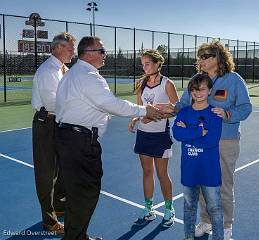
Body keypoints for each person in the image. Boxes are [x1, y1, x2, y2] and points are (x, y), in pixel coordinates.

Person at [55, 36, 167, 240]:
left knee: (75, 192)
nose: (105, 55)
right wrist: (145, 111)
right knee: (87, 191)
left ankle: (75, 235)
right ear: (89, 53)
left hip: (67, 138)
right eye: (102, 51)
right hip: (80, 142)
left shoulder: (72, 74)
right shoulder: (88, 76)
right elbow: (112, 104)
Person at [176, 40, 252, 240]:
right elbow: (183, 104)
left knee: (223, 184)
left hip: (225, 141)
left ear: (218, 58)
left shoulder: (233, 79)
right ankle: (206, 221)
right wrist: (163, 110)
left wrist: (228, 114)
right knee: (201, 183)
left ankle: (226, 226)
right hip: (199, 141)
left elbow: (245, 107)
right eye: (199, 56)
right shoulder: (196, 80)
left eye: (206, 55)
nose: (201, 59)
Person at [128, 49, 179, 228]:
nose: (144, 67)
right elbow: (139, 108)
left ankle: (169, 209)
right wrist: (136, 118)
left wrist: (156, 117)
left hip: (161, 135)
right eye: (142, 64)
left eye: (147, 63)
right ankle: (148, 209)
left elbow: (177, 110)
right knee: (147, 172)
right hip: (144, 134)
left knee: (162, 174)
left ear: (158, 64)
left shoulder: (167, 84)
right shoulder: (141, 84)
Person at [31, 32, 76, 235]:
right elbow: (52, 103)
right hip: (47, 123)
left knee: (63, 168)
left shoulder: (61, 69)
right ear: (57, 48)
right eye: (69, 48)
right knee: (46, 174)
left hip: (60, 122)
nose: (73, 53)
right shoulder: (48, 70)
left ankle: (58, 205)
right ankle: (49, 221)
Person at [172, 73, 223, 240]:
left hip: (210, 170)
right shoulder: (184, 113)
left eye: (202, 89)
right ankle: (188, 237)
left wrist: (188, 131)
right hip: (189, 170)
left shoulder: (215, 114)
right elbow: (177, 134)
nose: (197, 93)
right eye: (194, 90)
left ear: (209, 91)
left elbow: (211, 141)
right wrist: (199, 131)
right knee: (189, 207)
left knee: (214, 208)